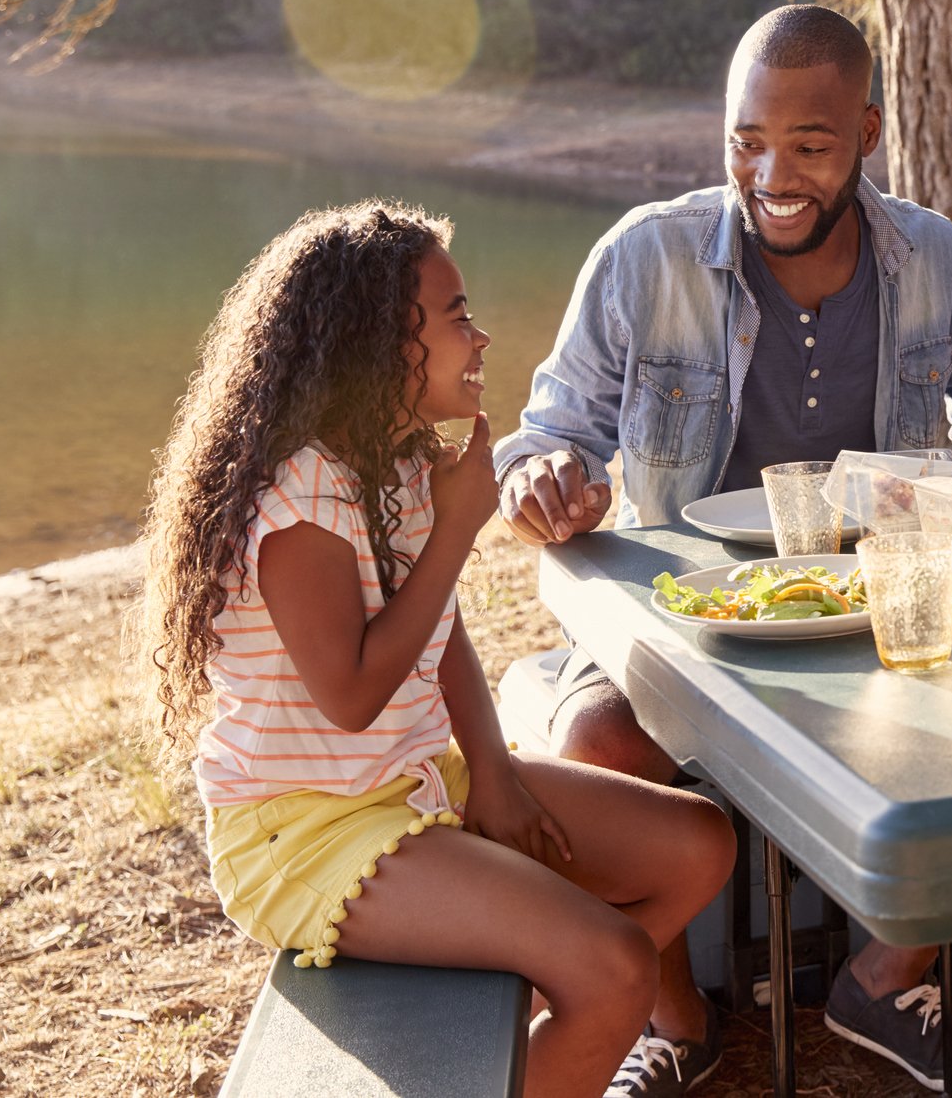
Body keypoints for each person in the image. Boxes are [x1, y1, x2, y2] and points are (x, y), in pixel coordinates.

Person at [493, 4, 952, 1093]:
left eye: (810, 144)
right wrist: (542, 479)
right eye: (748, 139)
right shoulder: (643, 255)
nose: (772, 171)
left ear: (870, 133)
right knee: (601, 739)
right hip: (682, 621)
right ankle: (673, 1016)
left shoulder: (936, 261)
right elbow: (550, 432)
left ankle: (882, 980)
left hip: (885, 617)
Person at [141, 203, 736, 1098]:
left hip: (416, 781)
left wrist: (492, 771)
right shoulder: (302, 491)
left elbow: (439, 631)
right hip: (306, 829)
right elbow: (350, 695)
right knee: (615, 966)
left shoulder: (399, 457)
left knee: (698, 844)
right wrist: (459, 524)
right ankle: (566, 1017)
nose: (481, 334)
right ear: (378, 342)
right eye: (456, 315)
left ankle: (533, 1047)